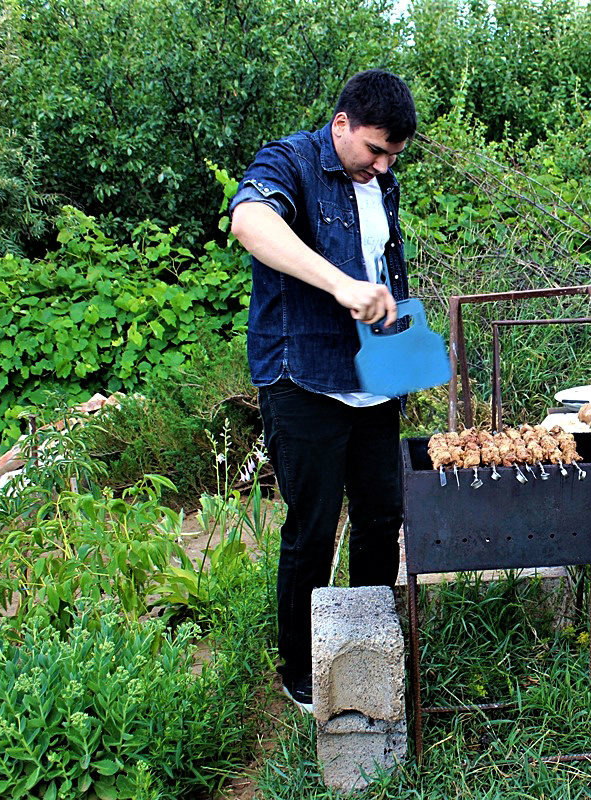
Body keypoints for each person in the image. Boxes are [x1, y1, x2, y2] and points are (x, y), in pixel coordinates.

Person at [228, 69, 417, 712]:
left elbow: (380, 265)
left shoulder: (380, 181)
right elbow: (250, 222)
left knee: (380, 516)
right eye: (375, 150)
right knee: (312, 528)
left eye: (393, 155)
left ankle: (365, 640)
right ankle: (302, 663)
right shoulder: (291, 160)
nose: (383, 165)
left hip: (373, 378)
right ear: (342, 125)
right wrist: (340, 285)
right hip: (303, 375)